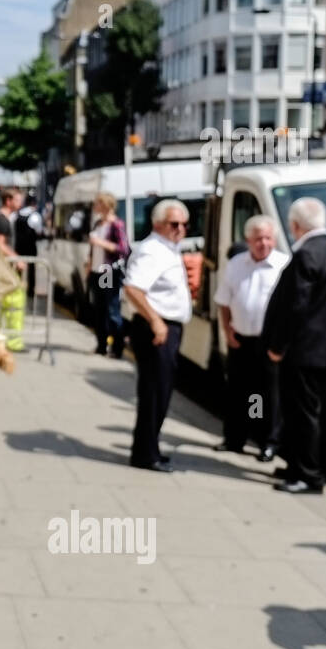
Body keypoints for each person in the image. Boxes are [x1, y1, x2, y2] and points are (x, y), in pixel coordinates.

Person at [262, 197, 326, 495]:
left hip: (302, 351)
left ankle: (308, 476)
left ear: (295, 226)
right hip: (323, 348)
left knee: (303, 414)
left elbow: (295, 308)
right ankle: (295, 465)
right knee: (302, 411)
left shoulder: (306, 255)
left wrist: (278, 345)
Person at [121, 199, 192, 472]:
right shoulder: (152, 250)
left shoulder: (168, 248)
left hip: (167, 326)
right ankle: (145, 454)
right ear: (158, 224)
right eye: (174, 224)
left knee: (160, 393)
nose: (181, 229)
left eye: (185, 224)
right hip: (156, 329)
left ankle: (150, 448)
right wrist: (156, 322)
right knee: (154, 392)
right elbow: (133, 289)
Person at [213, 215, 288, 461]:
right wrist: (227, 330)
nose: (263, 244)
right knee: (238, 392)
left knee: (267, 394)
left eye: (268, 238)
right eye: (258, 239)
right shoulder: (236, 264)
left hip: (268, 342)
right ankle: (234, 439)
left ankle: (269, 442)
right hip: (241, 339)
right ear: (248, 240)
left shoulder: (283, 265)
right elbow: (223, 300)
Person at [84, 191, 130, 358]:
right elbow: (92, 248)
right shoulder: (98, 224)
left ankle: (117, 346)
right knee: (99, 309)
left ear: (105, 205)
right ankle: (101, 345)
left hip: (107, 270)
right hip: (96, 270)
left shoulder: (116, 224)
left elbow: (123, 249)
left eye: (97, 203)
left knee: (111, 309)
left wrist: (100, 243)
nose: (95, 206)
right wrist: (88, 264)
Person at [13, 191, 47, 299]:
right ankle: (30, 292)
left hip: (18, 247)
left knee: (18, 268)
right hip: (30, 247)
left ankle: (16, 288)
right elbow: (39, 231)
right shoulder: (35, 216)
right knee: (31, 269)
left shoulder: (16, 214)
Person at [0, 186, 22, 259]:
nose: (20, 204)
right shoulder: (1, 219)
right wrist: (17, 259)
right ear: (8, 201)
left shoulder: (3, 217)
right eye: (17, 200)